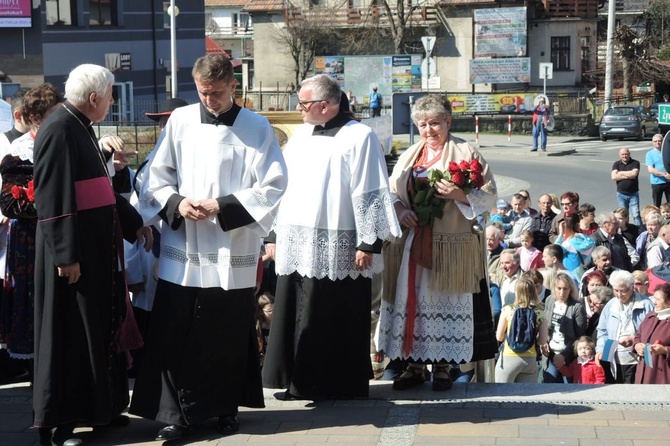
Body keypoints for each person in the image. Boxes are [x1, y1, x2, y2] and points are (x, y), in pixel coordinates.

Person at [129, 54, 287, 440]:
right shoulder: (181, 121)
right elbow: (154, 177)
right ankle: (174, 414)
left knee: (225, 333)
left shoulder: (257, 127)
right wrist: (177, 203)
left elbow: (274, 184)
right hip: (184, 246)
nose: (209, 100)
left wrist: (223, 206)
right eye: (202, 92)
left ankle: (224, 408)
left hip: (231, 248)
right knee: (174, 330)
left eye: (216, 93)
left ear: (233, 86)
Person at [32, 64, 151, 446]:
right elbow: (50, 197)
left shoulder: (81, 126)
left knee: (96, 330)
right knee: (69, 335)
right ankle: (63, 422)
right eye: (112, 95)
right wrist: (66, 255)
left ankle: (101, 409)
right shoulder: (59, 128)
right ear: (95, 98)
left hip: (94, 253)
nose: (114, 102)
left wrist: (133, 223)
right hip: (71, 256)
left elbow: (101, 188)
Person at [262, 74, 399, 400]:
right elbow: (282, 184)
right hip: (297, 242)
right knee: (298, 313)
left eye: (304, 103)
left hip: (340, 246)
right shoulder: (301, 135)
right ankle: (298, 382)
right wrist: (273, 233)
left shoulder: (359, 136)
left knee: (330, 316)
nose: (299, 109)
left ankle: (338, 385)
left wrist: (369, 243)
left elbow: (371, 189)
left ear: (324, 106)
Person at [376, 93, 498, 392]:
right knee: (413, 299)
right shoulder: (409, 155)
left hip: (450, 243)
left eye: (435, 123)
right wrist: (401, 210)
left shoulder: (466, 152)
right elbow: (389, 191)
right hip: (412, 241)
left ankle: (443, 366)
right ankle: (414, 365)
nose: (429, 130)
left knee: (443, 297)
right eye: (423, 124)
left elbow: (491, 195)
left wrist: (459, 195)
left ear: (448, 121)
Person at [0, 84, 63, 370]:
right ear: (34, 118)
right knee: (33, 296)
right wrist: (50, 203)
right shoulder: (19, 150)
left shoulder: (67, 141)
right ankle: (38, 365)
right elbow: (9, 203)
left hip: (62, 232)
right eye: (49, 115)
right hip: (29, 237)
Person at [595, 270, 653, 384]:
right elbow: (602, 331)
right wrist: (601, 349)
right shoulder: (611, 305)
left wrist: (635, 340)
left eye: (623, 291)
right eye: (616, 290)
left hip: (637, 359)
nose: (619, 295)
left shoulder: (646, 304)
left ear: (632, 287)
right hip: (612, 356)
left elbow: (652, 332)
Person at [494, 277, 548, 383]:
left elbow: (499, 337)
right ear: (534, 291)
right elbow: (542, 341)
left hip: (508, 358)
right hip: (529, 359)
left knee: (502, 396)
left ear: (516, 291)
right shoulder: (540, 313)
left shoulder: (507, 310)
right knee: (527, 397)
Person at [542, 271, 587, 383]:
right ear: (554, 288)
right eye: (559, 288)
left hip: (568, 355)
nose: (562, 292)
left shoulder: (576, 307)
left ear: (570, 289)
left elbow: (579, 337)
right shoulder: (549, 300)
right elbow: (544, 325)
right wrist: (543, 342)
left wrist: (564, 355)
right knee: (550, 384)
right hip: (551, 353)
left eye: (565, 289)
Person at [634, 283, 670, 384]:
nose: (654, 302)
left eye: (658, 300)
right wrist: (637, 345)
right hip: (643, 372)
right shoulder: (650, 316)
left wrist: (665, 350)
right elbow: (638, 336)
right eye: (654, 298)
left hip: (663, 375)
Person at [554, 212, 595, 282]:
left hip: (572, 277)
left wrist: (561, 234)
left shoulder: (567, 244)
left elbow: (554, 251)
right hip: (587, 273)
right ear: (578, 225)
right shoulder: (589, 240)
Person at [612, 147, 642, 226]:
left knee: (636, 215)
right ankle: (624, 230)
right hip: (621, 194)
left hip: (633, 194)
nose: (624, 156)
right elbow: (614, 177)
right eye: (622, 154)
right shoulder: (616, 164)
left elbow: (634, 174)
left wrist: (620, 173)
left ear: (629, 154)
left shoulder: (635, 163)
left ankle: (639, 231)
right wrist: (628, 175)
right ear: (619, 155)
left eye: (626, 154)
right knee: (622, 216)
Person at [645, 134, 670, 207]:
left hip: (668, 182)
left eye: (659, 141)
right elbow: (651, 169)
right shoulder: (650, 154)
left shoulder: (668, 151)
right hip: (657, 182)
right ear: (652, 142)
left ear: (663, 142)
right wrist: (664, 174)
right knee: (656, 204)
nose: (657, 143)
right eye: (655, 141)